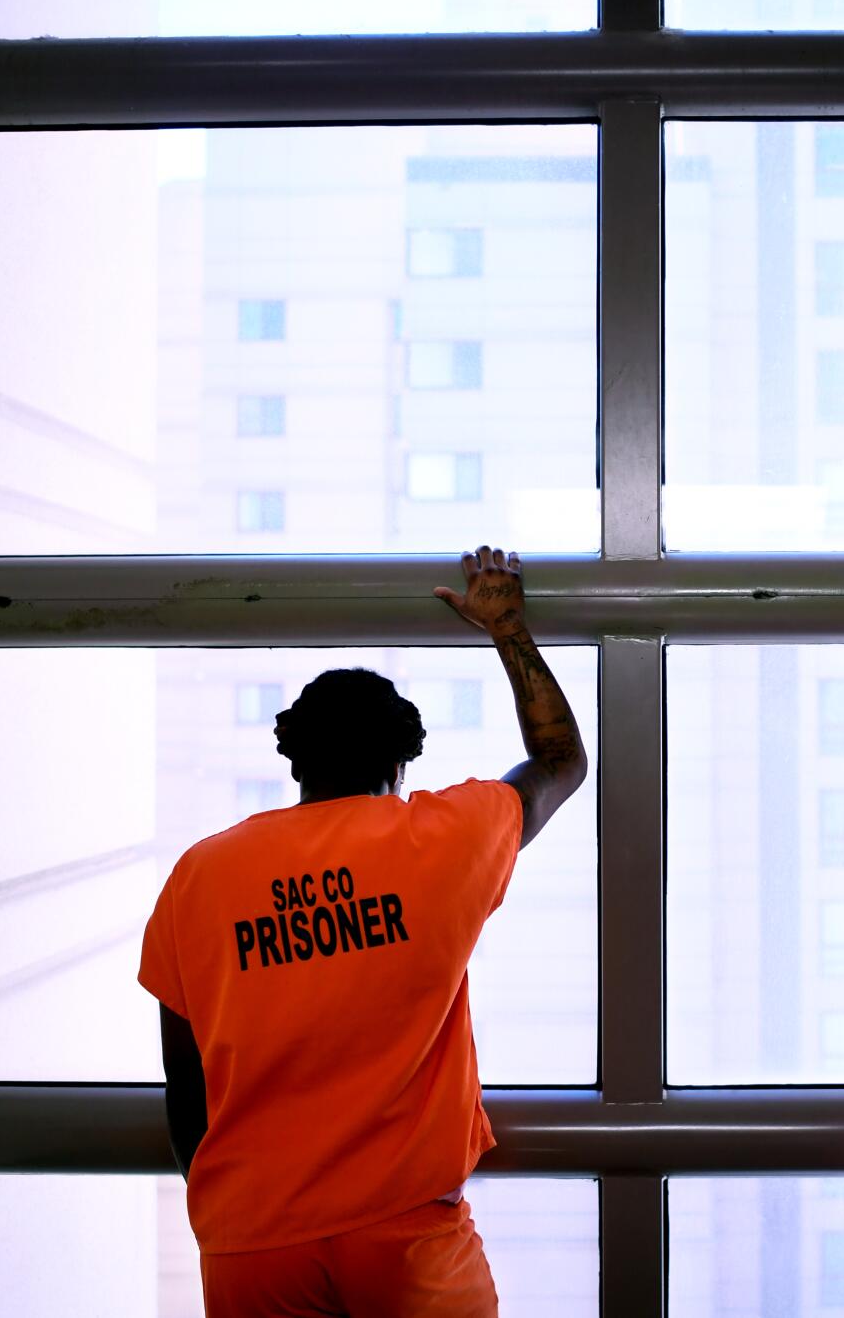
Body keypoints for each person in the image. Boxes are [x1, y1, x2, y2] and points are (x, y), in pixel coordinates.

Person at [139, 545, 587, 1318]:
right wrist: (506, 625)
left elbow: (188, 1091)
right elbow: (558, 759)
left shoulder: (199, 875)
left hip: (253, 1241)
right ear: (403, 759)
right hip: (409, 1238)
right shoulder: (445, 836)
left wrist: (248, 1210)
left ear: (295, 761)